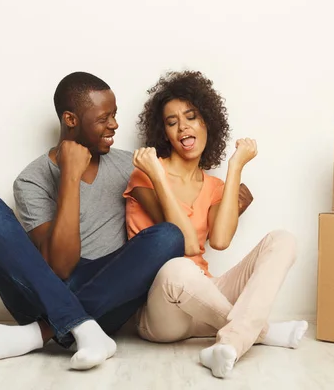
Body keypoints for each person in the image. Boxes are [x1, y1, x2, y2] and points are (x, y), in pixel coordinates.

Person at [0, 72, 185, 371]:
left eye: (115, 115)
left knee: (169, 236)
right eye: (104, 117)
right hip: (42, 292)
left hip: (107, 295)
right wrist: (70, 174)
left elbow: (175, 221)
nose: (115, 125)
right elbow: (59, 268)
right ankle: (80, 328)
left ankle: (40, 333)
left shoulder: (126, 165)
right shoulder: (32, 180)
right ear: (71, 119)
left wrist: (224, 202)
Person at [123, 70, 308, 378]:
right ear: (164, 133)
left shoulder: (214, 186)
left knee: (283, 239)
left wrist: (235, 167)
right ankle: (258, 332)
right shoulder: (146, 174)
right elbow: (185, 243)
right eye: (172, 122)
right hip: (161, 309)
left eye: (191, 117)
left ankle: (232, 342)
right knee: (177, 267)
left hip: (205, 302)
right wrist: (157, 176)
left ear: (207, 121)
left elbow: (220, 240)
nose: (182, 127)